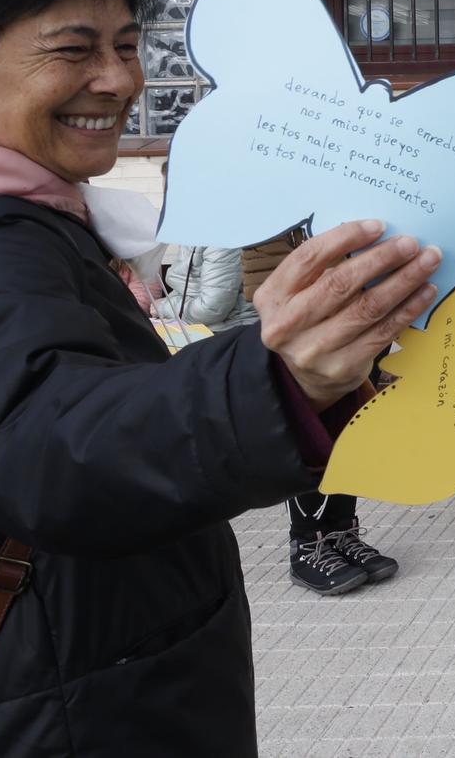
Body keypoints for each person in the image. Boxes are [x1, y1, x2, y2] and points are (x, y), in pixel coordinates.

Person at [0, 0, 438, 755]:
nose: (120, 80)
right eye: (73, 49)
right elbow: (50, 450)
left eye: (126, 45)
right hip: (61, 712)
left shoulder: (16, 217)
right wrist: (271, 379)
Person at [155, 243, 398, 594]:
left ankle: (341, 531)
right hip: (301, 315)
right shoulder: (263, 194)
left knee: (351, 428)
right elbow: (261, 266)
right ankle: (308, 543)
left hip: (363, 304)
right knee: (307, 426)